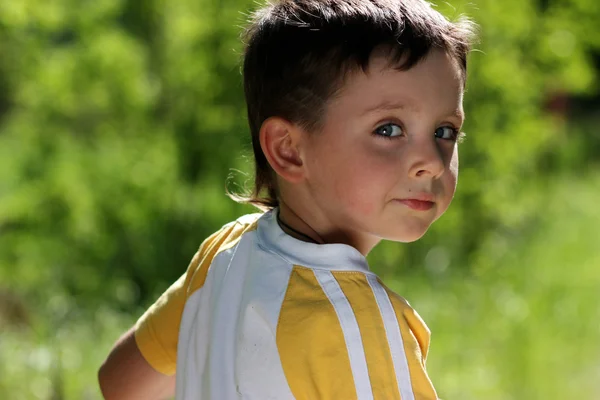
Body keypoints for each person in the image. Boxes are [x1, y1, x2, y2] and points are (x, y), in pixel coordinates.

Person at [98, 0, 476, 398]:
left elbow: (121, 384)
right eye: (388, 129)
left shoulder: (224, 257)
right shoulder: (355, 321)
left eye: (445, 131)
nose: (432, 163)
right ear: (288, 150)